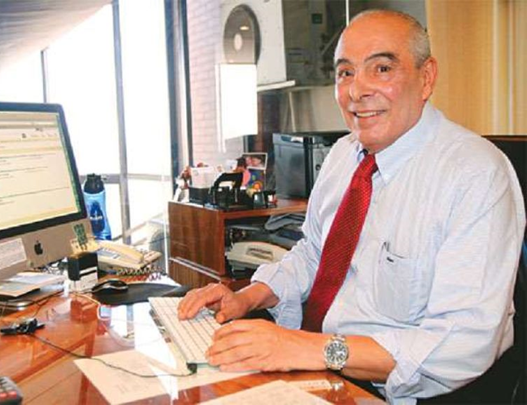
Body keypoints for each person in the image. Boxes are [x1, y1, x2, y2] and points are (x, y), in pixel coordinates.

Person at [178, 9, 526, 404]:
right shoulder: (344, 154)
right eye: (345, 73)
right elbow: (313, 253)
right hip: (317, 366)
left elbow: (461, 345)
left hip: (394, 391)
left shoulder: (475, 174)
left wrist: (311, 349)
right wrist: (247, 297)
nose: (357, 90)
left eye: (382, 69)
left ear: (426, 77)